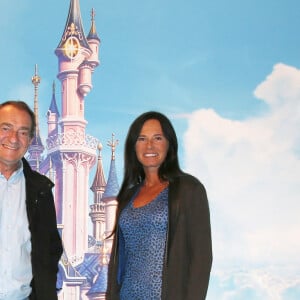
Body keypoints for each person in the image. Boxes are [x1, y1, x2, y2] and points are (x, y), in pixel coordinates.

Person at [107, 111, 212, 300]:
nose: (149, 145)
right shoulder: (127, 197)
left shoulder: (189, 190)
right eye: (142, 138)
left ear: (169, 143)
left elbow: (201, 260)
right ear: (133, 146)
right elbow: (118, 264)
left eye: (157, 138)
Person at [0, 100, 63, 299]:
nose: (13, 138)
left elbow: (50, 251)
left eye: (23, 132)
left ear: (30, 141)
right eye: (6, 128)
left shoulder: (41, 191)